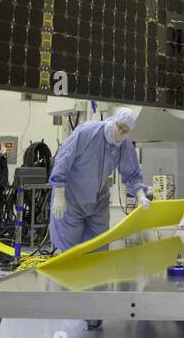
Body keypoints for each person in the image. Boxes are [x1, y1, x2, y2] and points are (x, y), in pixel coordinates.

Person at [49, 107, 150, 254]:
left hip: (98, 199)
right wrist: (59, 192)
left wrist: (141, 195)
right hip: (71, 197)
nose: (121, 132)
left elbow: (132, 172)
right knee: (68, 251)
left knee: (98, 247)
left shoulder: (123, 145)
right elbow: (64, 159)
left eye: (126, 131)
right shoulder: (87, 132)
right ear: (114, 120)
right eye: (120, 127)